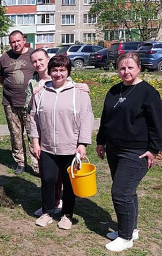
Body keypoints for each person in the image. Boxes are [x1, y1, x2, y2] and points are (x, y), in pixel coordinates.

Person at [96, 52, 162, 252]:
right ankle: (131, 228)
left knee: (120, 192)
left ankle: (125, 237)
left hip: (136, 151)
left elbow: (157, 125)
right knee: (128, 192)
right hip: (113, 149)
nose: (126, 72)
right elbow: (105, 119)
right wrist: (101, 141)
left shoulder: (148, 93)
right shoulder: (114, 90)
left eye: (130, 68)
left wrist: (154, 150)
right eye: (122, 68)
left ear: (139, 68)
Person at [29, 55, 94, 230]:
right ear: (49, 72)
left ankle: (67, 215)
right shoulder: (41, 93)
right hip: (47, 147)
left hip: (70, 148)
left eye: (62, 70)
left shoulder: (79, 93)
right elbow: (33, 118)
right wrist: (35, 141)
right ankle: (48, 212)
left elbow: (87, 118)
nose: (58, 74)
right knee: (48, 180)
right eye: (55, 70)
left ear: (68, 72)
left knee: (69, 182)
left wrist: (82, 143)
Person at [0, 30, 38, 175]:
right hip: (10, 103)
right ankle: (20, 162)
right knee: (15, 134)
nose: (16, 44)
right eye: (13, 42)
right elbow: (1, 77)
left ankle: (36, 165)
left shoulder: (33, 55)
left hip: (30, 103)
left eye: (18, 41)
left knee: (32, 134)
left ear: (24, 40)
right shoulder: (4, 58)